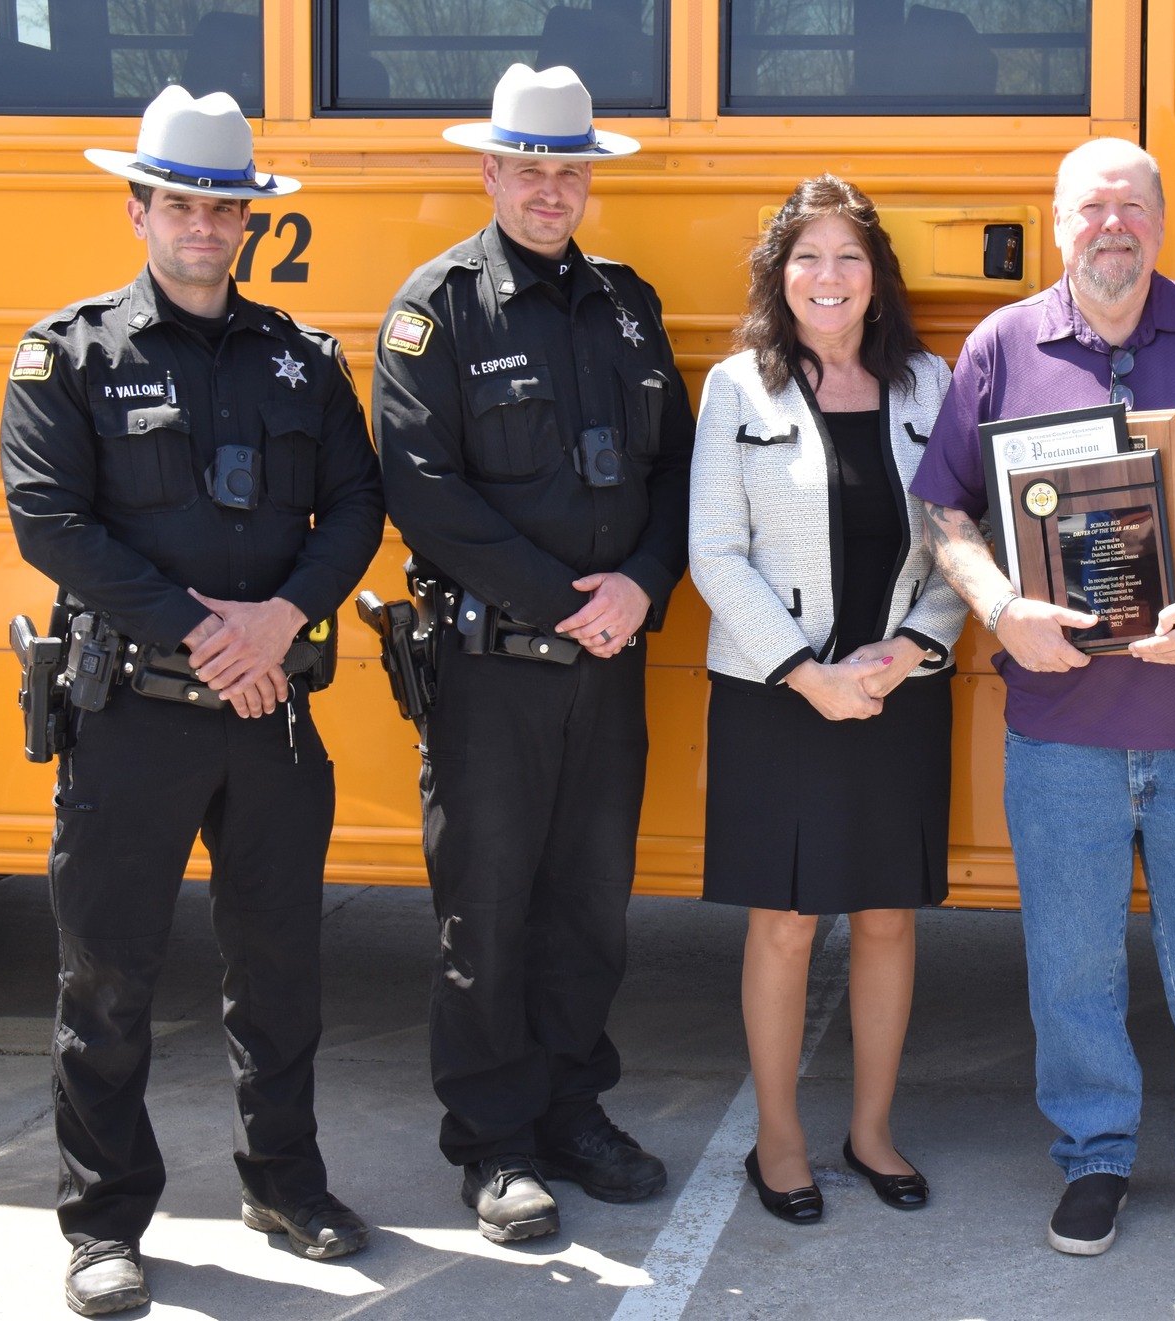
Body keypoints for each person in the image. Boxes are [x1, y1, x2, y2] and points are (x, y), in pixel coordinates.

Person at [0, 88, 385, 1315]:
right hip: (132, 718)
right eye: (182, 203)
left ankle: (285, 1181)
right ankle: (104, 1220)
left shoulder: (303, 358)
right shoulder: (72, 354)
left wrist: (282, 620)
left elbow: (360, 511)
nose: (205, 225)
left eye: (225, 205)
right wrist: (213, 632)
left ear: (250, 219)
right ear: (139, 209)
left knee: (279, 969)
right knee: (106, 975)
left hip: (269, 713)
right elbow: (51, 521)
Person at [913, 137, 1175, 1270]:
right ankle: (1093, 1156)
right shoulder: (1000, 344)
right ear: (1056, 225)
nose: (1111, 226)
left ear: (1161, 223)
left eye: (1131, 207)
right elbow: (946, 513)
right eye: (1090, 209)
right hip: (1060, 731)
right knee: (1071, 962)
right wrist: (997, 608)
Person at [371, 64, 694, 1243]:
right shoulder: (437, 309)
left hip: (609, 660)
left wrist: (645, 584)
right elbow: (424, 490)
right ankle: (495, 1145)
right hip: (492, 665)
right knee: (487, 910)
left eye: (569, 171)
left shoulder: (626, 303)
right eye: (530, 169)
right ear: (491, 172)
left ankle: (572, 1111)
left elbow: (673, 471)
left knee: (587, 910)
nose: (550, 189)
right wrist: (568, 600)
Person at [687, 175, 964, 1224]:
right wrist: (805, 675)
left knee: (889, 919)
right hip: (777, 695)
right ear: (779, 275)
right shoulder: (735, 389)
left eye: (849, 257)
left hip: (897, 687)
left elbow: (957, 541)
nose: (829, 277)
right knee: (788, 924)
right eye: (808, 257)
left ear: (877, 279)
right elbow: (713, 550)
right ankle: (780, 1138)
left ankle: (872, 1129)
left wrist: (904, 653)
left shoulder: (929, 386)